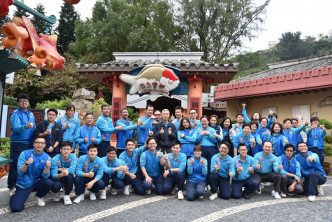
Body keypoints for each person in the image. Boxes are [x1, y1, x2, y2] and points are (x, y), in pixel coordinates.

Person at [9, 137, 53, 212]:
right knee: (16, 208)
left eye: (42, 143)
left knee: (49, 182)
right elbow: (20, 172)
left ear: (45, 145)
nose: (39, 144)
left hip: (36, 182)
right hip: (24, 184)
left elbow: (45, 176)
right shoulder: (24, 154)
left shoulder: (47, 157)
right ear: (33, 144)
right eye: (37, 142)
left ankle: (39, 196)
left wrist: (47, 167)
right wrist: (26, 164)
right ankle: (15, 195)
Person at [8, 94, 36, 194]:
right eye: (21, 101)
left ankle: (23, 185)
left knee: (27, 164)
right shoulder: (15, 114)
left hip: (29, 143)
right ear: (17, 103)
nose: (24, 102)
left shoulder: (31, 114)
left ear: (28, 103)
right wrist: (26, 126)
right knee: (16, 165)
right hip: (18, 143)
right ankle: (11, 186)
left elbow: (34, 128)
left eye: (25, 100)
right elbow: (15, 128)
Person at [50, 141, 77, 205]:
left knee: (70, 176)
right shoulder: (54, 159)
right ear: (60, 150)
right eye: (64, 149)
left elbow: (72, 169)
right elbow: (53, 175)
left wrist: (63, 170)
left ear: (71, 150)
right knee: (56, 186)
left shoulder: (73, 156)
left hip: (67, 174)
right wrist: (60, 174)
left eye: (68, 149)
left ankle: (67, 195)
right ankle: (56, 192)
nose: (66, 151)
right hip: (58, 176)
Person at [195, 115, 217, 183]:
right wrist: (201, 134)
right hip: (201, 148)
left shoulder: (212, 130)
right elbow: (196, 141)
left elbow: (215, 140)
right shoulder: (198, 130)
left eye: (205, 121)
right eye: (202, 121)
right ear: (200, 122)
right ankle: (203, 181)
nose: (204, 122)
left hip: (211, 148)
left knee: (210, 165)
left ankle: (209, 182)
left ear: (208, 121)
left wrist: (208, 134)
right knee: (202, 165)